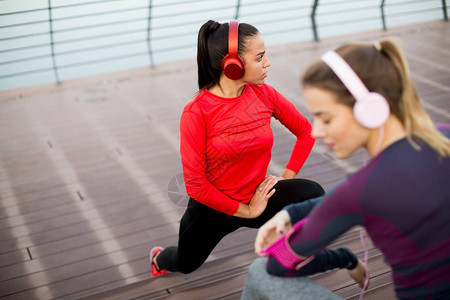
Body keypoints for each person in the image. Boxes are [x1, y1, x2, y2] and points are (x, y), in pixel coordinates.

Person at [150, 20, 360, 278]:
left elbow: (305, 132)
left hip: (258, 196)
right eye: (260, 57)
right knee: (187, 263)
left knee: (312, 194)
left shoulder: (264, 94)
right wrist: (247, 211)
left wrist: (286, 177)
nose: (267, 63)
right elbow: (195, 186)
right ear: (233, 65)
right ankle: (159, 258)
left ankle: (283, 259)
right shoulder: (196, 112)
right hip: (211, 209)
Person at [247, 37, 450, 299]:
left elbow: (281, 263)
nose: (317, 131)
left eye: (326, 117)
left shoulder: (361, 191)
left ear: (369, 110)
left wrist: (286, 242)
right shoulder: (444, 137)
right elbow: (343, 200)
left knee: (260, 270)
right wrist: (291, 213)